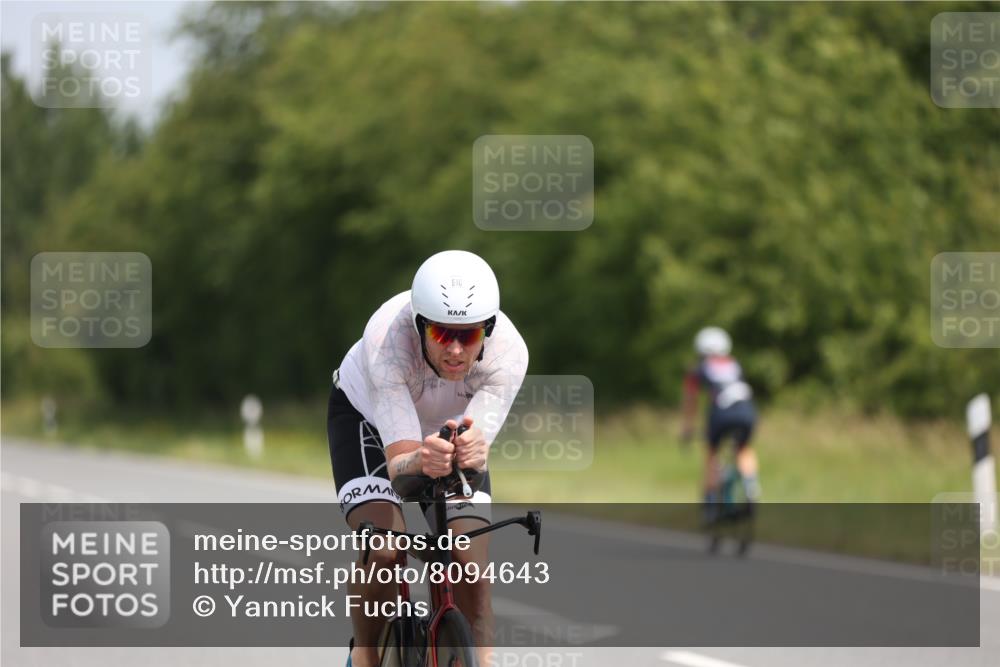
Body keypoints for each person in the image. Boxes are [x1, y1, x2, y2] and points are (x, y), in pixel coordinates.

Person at [327, 250, 528, 667]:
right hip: (366, 420)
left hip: (444, 429)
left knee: (470, 560)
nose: (455, 351)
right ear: (419, 325)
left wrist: (472, 449)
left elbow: (475, 443)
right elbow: (401, 467)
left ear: (488, 331)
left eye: (469, 336)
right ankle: (364, 655)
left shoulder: (510, 354)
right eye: (440, 335)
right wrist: (421, 460)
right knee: (383, 549)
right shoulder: (387, 341)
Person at [681, 327, 760, 522]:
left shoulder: (698, 368)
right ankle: (751, 485)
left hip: (721, 413)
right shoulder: (735, 364)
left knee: (712, 453)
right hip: (747, 410)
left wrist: (687, 429)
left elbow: (691, 401)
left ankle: (710, 505)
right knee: (743, 448)